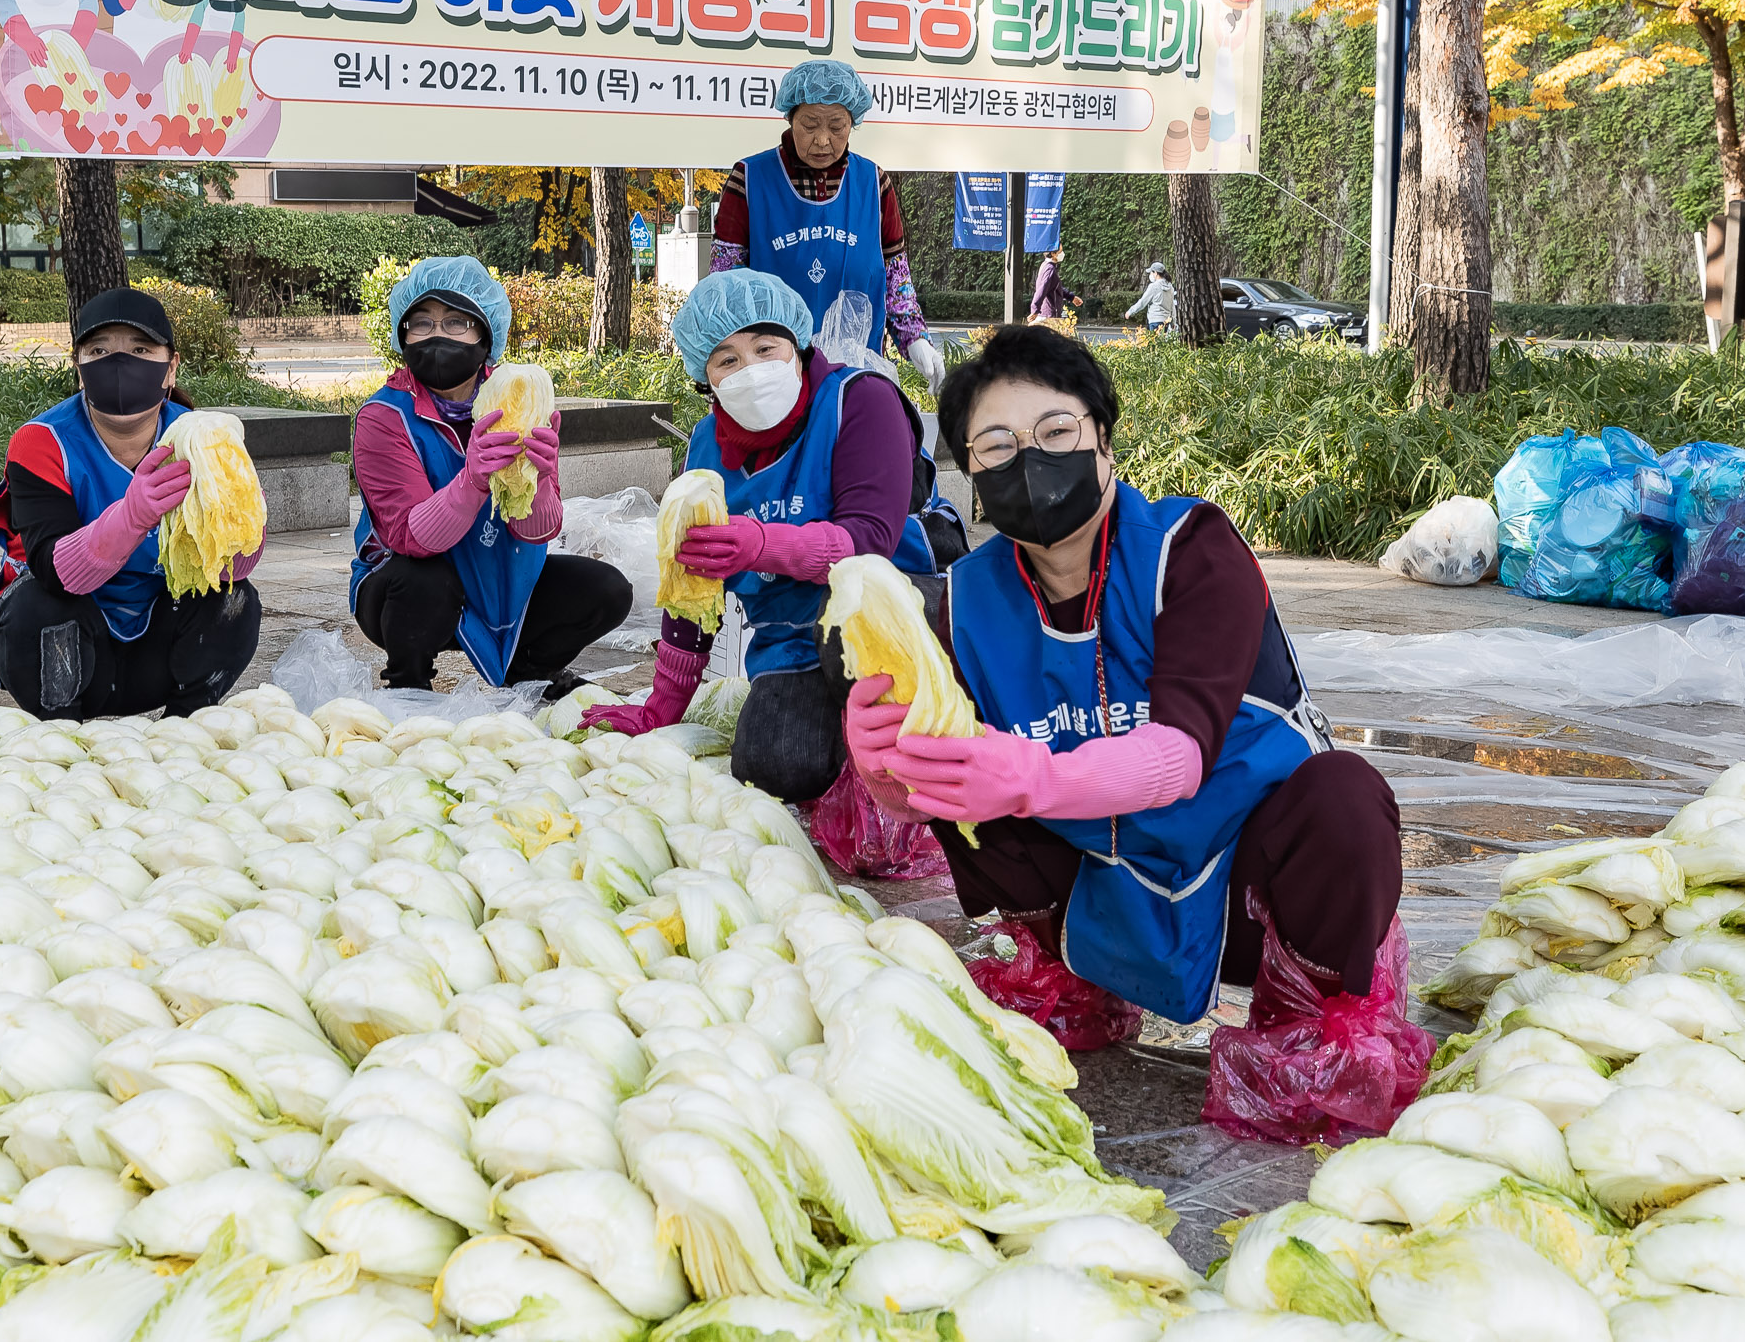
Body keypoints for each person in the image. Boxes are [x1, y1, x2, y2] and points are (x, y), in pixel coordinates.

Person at [843, 325, 1428, 1142]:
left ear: (1104, 441)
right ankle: (1070, 980)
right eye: (996, 446)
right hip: (1097, 885)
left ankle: (1311, 1028)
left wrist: (1029, 775)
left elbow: (1181, 753)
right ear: (970, 473)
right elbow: (937, 790)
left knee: (1346, 798)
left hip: (1245, 891)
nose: (1030, 462)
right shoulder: (967, 598)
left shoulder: (1190, 551)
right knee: (963, 775)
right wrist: (882, 764)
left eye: (1055, 434)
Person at [584, 269, 927, 802]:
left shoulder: (858, 401)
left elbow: (871, 541)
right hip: (791, 641)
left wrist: (762, 544)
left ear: (796, 345)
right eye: (727, 360)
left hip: (892, 616)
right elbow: (693, 590)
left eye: (766, 347)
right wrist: (662, 706)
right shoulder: (706, 450)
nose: (752, 368)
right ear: (707, 379)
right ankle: (844, 737)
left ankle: (902, 748)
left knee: (854, 633)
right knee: (774, 766)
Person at [0, 287, 263, 720]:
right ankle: (61, 734)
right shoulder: (43, 442)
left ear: (170, 369)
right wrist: (132, 516)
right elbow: (53, 571)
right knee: (36, 605)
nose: (119, 363)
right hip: (67, 649)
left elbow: (229, 567)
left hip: (157, 648)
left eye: (140, 349)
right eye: (99, 350)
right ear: (79, 370)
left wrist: (239, 525)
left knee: (233, 599)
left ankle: (185, 727)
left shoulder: (198, 441)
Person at [351, 256, 632, 691]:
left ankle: (527, 673)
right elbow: (408, 537)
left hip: (500, 568)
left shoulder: (519, 398)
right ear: (402, 334)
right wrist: (473, 481)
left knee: (606, 591)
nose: (438, 335)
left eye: (456, 322)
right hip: (412, 584)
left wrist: (538, 483)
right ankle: (409, 686)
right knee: (421, 582)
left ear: (486, 333)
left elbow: (539, 532)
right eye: (422, 323)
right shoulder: (384, 417)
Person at [712, 60, 948, 398]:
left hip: (856, 379)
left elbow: (896, 279)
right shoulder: (749, 180)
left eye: (837, 126)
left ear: (853, 122)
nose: (823, 140)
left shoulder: (873, 184)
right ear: (790, 117)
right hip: (771, 383)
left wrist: (915, 339)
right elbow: (725, 287)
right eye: (810, 125)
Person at [1028, 248, 1081, 322]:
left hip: (1047, 314)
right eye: (1060, 251)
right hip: (1050, 315)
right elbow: (1042, 288)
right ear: (1053, 254)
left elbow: (1055, 287)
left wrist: (1071, 297)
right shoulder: (1050, 269)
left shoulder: (1046, 266)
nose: (1062, 253)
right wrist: (1035, 309)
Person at [1125, 262, 1177, 333]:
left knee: (1154, 343)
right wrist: (1173, 321)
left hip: (1155, 321)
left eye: (1151, 273)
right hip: (1166, 321)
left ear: (1155, 273)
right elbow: (1172, 306)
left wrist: (1130, 311)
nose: (1150, 275)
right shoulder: (1170, 287)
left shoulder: (1153, 287)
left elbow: (1142, 302)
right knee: (1162, 343)